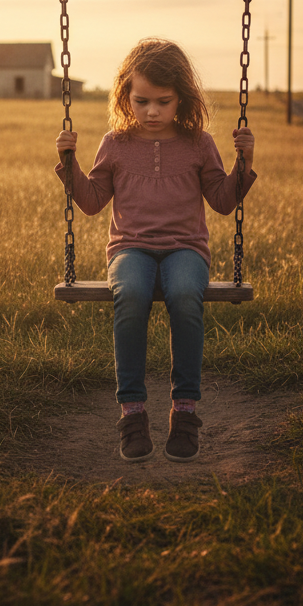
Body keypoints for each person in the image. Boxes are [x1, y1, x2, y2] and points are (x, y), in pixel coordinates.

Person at [54, 39, 256, 464]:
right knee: (130, 294)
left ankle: (185, 412)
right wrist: (69, 162)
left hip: (186, 249)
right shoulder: (115, 143)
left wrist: (244, 161)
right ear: (125, 96)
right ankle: (133, 412)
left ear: (181, 98)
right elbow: (91, 203)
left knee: (185, 294)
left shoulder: (199, 143)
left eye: (162, 102)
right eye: (141, 100)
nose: (151, 111)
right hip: (131, 249)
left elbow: (221, 201)